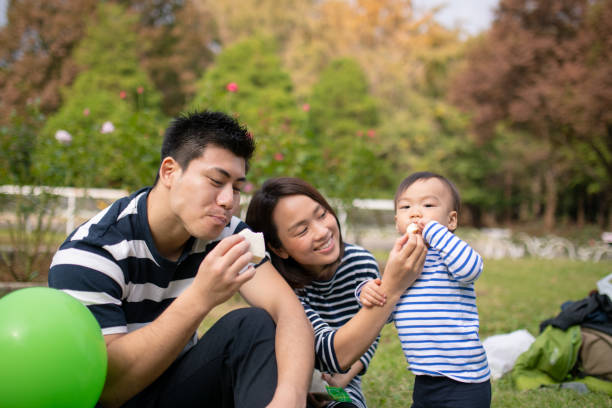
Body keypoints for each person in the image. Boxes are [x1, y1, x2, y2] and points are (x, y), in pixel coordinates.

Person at [48, 111, 314, 408]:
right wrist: (201, 297)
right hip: (116, 399)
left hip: (178, 388)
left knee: (252, 325)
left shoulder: (226, 233)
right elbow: (108, 389)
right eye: (216, 181)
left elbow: (290, 314)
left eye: (237, 188)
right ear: (170, 172)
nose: (228, 201)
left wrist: (290, 395)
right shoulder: (92, 253)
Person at [246, 177, 427, 408]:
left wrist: (344, 378)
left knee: (343, 404)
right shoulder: (277, 285)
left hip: (337, 385)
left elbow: (371, 327)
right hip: (284, 380)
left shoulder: (359, 263)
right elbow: (326, 353)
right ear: (278, 248)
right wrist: (393, 285)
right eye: (302, 230)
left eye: (322, 215)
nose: (322, 232)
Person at [358, 171, 491, 408]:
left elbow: (472, 268)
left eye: (428, 205)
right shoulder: (402, 262)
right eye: (406, 207)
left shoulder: (447, 256)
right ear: (397, 221)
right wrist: (368, 290)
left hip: (463, 380)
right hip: (425, 379)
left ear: (451, 221)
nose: (416, 213)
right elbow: (386, 311)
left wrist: (435, 231)